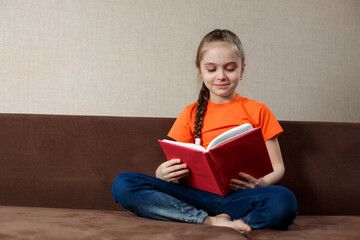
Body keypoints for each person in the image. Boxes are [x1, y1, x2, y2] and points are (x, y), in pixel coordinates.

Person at [112, 29, 297, 232]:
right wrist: (162, 173)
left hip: (240, 197)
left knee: (284, 201)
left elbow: (278, 167)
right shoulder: (190, 113)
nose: (221, 76)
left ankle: (230, 221)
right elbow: (175, 162)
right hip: (196, 197)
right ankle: (211, 221)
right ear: (200, 70)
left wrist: (260, 184)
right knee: (123, 183)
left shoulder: (258, 110)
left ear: (242, 70)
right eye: (211, 69)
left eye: (230, 68)